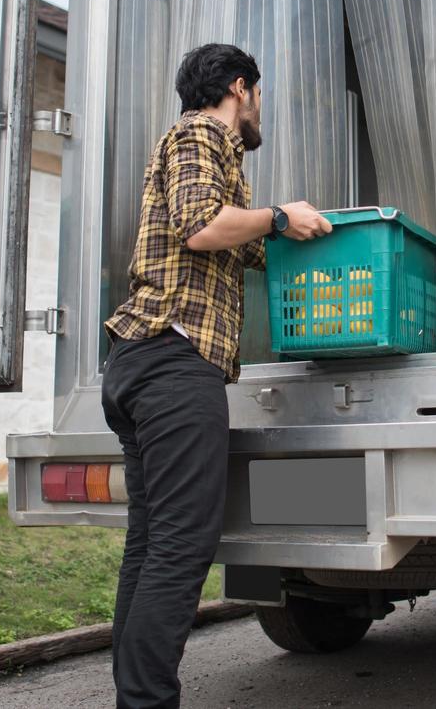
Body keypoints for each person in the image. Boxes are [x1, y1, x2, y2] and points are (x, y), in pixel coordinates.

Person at [101, 42, 333, 708]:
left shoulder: (205, 152)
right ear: (240, 87)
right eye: (256, 95)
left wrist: (295, 233)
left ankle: (135, 700)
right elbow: (203, 226)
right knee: (180, 544)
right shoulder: (202, 130)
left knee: (151, 545)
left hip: (141, 362)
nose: (258, 109)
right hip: (174, 362)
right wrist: (282, 214)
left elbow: (237, 242)